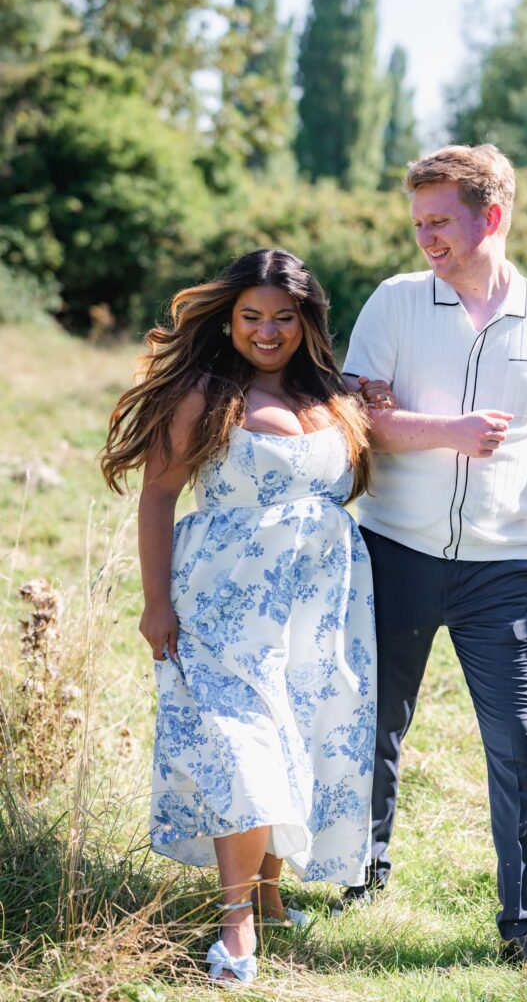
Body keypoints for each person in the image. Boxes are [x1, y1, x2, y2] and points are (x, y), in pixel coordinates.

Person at [340, 144, 527, 967]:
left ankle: (523, 926)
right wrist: (447, 435)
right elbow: (358, 418)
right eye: (416, 222)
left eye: (439, 222)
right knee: (374, 725)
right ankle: (363, 870)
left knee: (518, 743)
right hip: (394, 551)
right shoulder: (392, 304)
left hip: (501, 570)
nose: (425, 237)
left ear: (489, 216)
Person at [101, 249, 377, 986]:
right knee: (244, 751)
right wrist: (156, 603)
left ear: (305, 321)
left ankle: (271, 893)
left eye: (283, 317)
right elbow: (158, 496)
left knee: (302, 735)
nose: (266, 331)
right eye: (251, 316)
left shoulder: (333, 394)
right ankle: (236, 922)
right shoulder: (205, 392)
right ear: (228, 319)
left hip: (317, 605)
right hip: (223, 602)